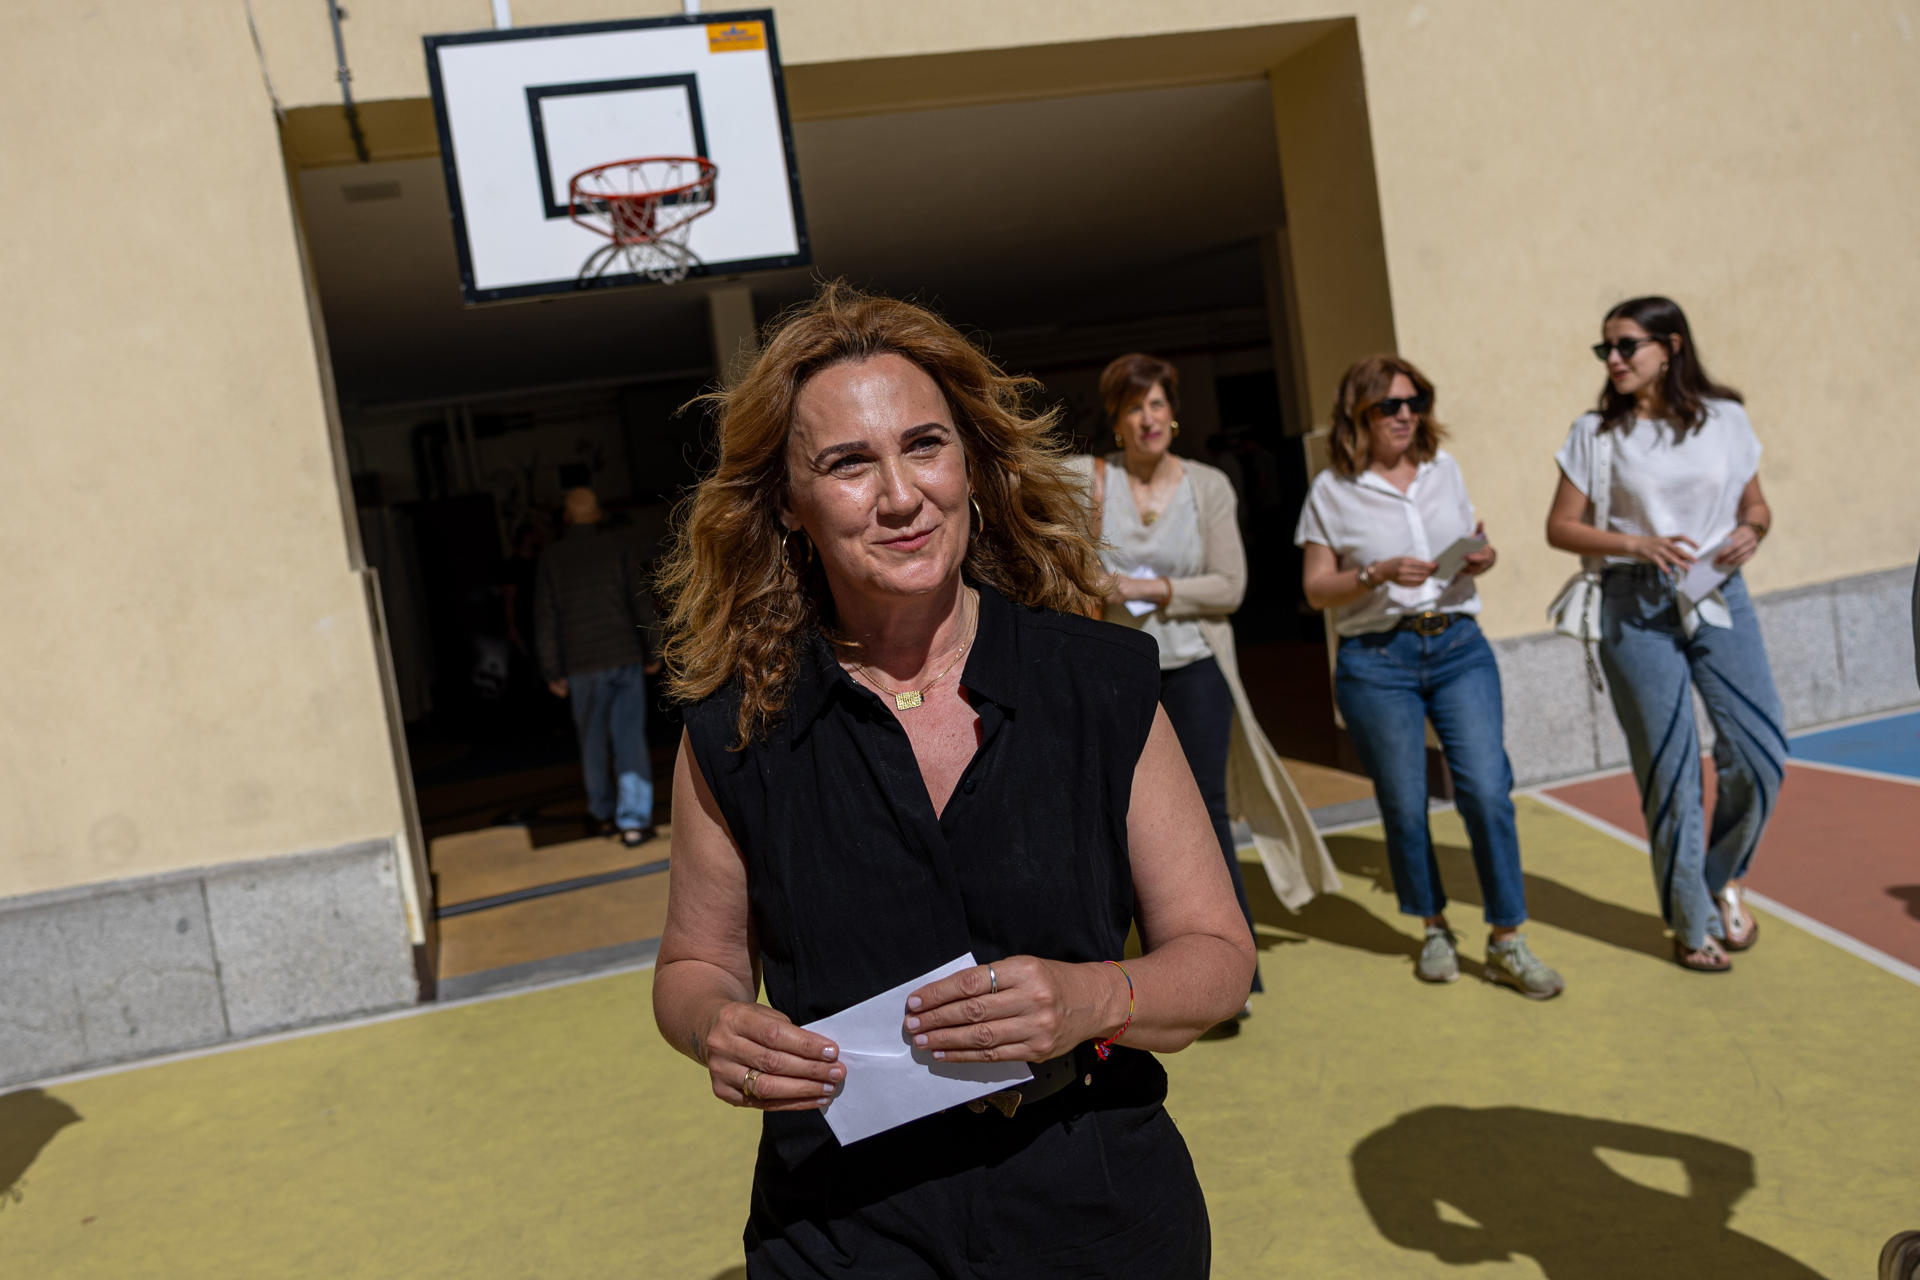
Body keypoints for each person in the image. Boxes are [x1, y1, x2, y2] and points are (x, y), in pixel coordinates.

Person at [651, 285, 1255, 1277]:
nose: (899, 494)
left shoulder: (1097, 680)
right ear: (790, 507)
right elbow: (693, 966)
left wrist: (1095, 996)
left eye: (923, 445)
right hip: (844, 1223)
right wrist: (719, 1024)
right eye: (848, 462)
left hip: (1096, 1201)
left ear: (969, 465)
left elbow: (1219, 956)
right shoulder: (737, 729)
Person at [1068, 355, 1339, 1011]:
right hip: (1114, 673)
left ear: (1174, 413)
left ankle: (1228, 973)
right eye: (1134, 408)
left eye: (1157, 405)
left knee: (1207, 812)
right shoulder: (1083, 479)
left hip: (1195, 667)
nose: (1148, 419)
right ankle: (1150, 970)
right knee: (1115, 817)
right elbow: (1038, 534)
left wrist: (1149, 587)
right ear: (1117, 420)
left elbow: (1231, 586)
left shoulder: (1209, 485)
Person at [1295, 355, 1564, 998]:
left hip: (1457, 645)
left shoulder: (1445, 469)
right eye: (1390, 406)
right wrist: (1376, 573)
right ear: (1358, 414)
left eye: (1414, 402)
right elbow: (1315, 590)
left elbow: (1470, 542)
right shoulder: (1333, 489)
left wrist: (1483, 556)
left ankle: (1507, 938)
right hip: (1376, 661)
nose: (1406, 415)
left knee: (1487, 789)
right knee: (1405, 803)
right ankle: (1434, 926)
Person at [1546, 295, 1788, 972]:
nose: (1614, 360)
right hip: (1635, 605)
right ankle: (1690, 921)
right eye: (1606, 349)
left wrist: (1753, 531)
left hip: (1718, 592)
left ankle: (1719, 876)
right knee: (1672, 769)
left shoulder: (1726, 419)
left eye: (1627, 345)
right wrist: (1636, 544)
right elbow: (1560, 527)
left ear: (1672, 346)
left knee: (1761, 750)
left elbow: (1756, 503)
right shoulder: (1596, 432)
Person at [533, 487, 660, 846]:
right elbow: (641, 603)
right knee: (629, 739)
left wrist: (551, 670)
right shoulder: (619, 548)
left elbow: (545, 618)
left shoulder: (552, 558)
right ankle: (634, 822)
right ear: (598, 515)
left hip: (581, 665)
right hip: (624, 657)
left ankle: (602, 815)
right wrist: (654, 649)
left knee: (592, 742)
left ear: (566, 518)